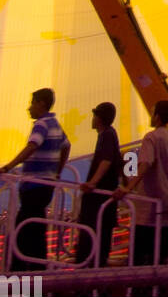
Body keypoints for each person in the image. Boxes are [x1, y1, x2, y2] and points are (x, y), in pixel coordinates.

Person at [1, 88, 70, 270]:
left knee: (21, 231)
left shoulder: (41, 124)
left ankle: (17, 274)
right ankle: (36, 273)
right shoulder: (55, 124)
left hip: (34, 186)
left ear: (41, 104)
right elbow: (66, 145)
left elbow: (33, 145)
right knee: (35, 229)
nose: (28, 108)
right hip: (46, 186)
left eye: (32, 103)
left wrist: (9, 166)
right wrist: (57, 172)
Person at [114, 99, 168, 271]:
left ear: (157, 117)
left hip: (150, 209)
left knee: (139, 260)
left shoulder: (151, 137)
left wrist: (128, 188)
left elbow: (146, 163)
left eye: (152, 113)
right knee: (160, 259)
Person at [76, 102, 122, 267]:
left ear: (100, 118)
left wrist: (92, 183)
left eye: (94, 115)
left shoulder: (107, 135)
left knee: (93, 240)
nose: (92, 119)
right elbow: (121, 160)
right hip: (102, 201)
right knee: (99, 239)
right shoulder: (109, 135)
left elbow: (107, 160)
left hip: (99, 201)